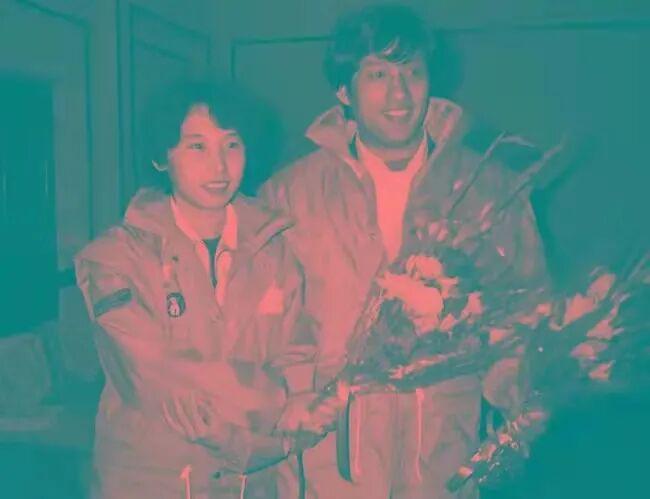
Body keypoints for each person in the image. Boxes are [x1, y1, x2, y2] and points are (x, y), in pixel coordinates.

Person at [260, 4, 549, 498]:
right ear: (343, 91)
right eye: (378, 75)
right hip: (331, 464)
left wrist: (524, 393)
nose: (399, 93)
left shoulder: (486, 188)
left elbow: (527, 308)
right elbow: (267, 334)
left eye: (412, 72)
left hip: (443, 459)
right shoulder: (289, 197)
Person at [75, 80, 317, 499]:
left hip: (252, 482)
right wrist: (279, 399)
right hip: (150, 481)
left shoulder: (275, 248)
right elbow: (157, 375)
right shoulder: (114, 258)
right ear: (161, 157)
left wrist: (292, 404)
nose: (219, 166)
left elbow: (298, 356)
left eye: (232, 145)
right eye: (197, 147)